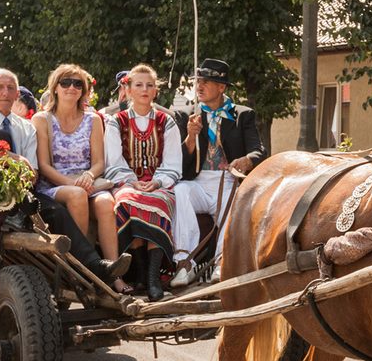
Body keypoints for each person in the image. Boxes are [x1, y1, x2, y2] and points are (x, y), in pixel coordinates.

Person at [0, 67, 130, 286]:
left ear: (17, 94)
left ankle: (95, 268)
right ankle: (86, 270)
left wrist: (85, 177)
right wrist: (14, 157)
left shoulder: (25, 126)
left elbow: (33, 170)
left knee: (60, 211)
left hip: (26, 191)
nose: (5, 93)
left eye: (10, 88)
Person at [171, 58, 265, 285]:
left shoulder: (243, 114)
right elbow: (179, 163)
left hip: (228, 180)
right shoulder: (186, 115)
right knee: (180, 191)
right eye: (198, 81)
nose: (199, 86)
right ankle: (184, 262)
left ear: (221, 87)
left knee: (237, 199)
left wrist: (246, 160)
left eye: (206, 82)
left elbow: (259, 151)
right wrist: (190, 137)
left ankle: (221, 263)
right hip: (198, 182)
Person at [34, 64, 121, 290]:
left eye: (77, 84)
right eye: (65, 82)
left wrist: (88, 176)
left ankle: (114, 273)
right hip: (55, 184)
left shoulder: (93, 120)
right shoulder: (42, 119)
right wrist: (74, 184)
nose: (71, 87)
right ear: (55, 88)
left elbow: (99, 162)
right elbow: (43, 166)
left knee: (106, 202)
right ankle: (80, 268)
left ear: (83, 90)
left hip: (88, 181)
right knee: (76, 195)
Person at [103, 64, 182, 301]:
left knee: (157, 202)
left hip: (159, 183)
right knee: (126, 202)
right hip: (127, 182)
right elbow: (113, 160)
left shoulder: (166, 121)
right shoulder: (116, 122)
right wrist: (131, 181)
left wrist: (157, 182)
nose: (144, 89)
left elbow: (173, 162)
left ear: (156, 91)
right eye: (138, 85)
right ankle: (140, 270)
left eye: (150, 85)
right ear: (127, 90)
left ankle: (153, 277)